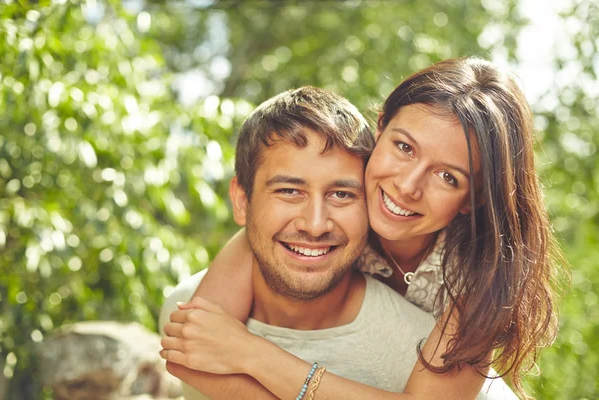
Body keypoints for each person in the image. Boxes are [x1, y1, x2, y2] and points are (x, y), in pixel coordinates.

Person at [161, 57, 564, 399]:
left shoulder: (482, 273)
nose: (407, 187)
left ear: (474, 198)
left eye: (448, 177)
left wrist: (252, 354)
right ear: (380, 129)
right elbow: (190, 349)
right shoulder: (333, 208)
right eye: (404, 148)